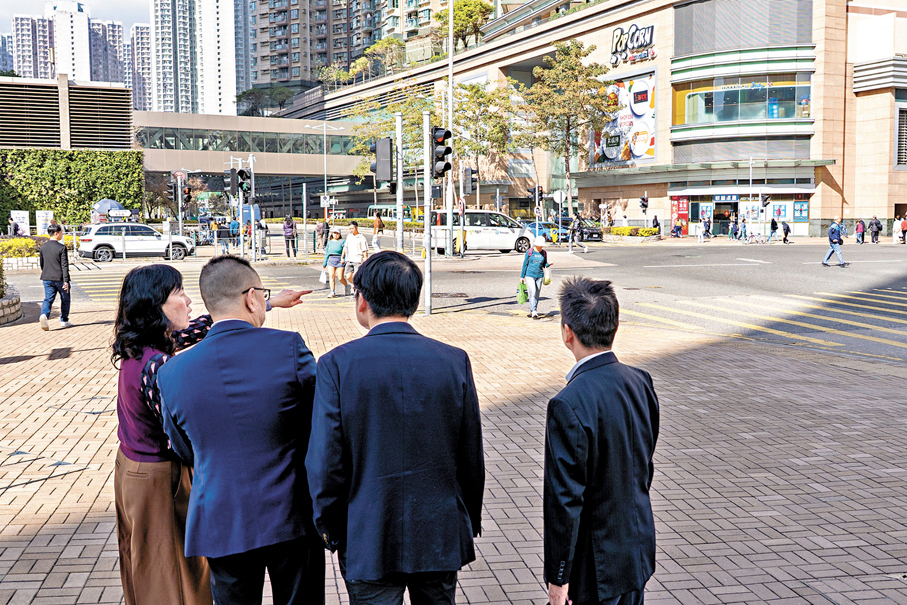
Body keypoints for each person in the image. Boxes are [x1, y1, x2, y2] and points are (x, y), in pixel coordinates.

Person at [306, 251, 484, 605]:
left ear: (362, 301)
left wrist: (329, 525)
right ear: (414, 301)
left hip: (368, 533)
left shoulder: (337, 365)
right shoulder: (453, 360)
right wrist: (468, 517)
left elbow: (326, 461)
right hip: (438, 532)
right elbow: (471, 454)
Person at [158, 256, 322, 605]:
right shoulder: (288, 347)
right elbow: (318, 423)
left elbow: (184, 449)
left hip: (220, 517)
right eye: (263, 294)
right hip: (291, 513)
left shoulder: (173, 372)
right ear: (251, 297)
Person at [544, 277, 659, 605]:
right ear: (615, 325)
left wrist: (558, 577)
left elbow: (565, 501)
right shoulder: (640, 381)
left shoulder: (568, 402)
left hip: (596, 568)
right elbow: (643, 464)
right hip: (637, 551)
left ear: (567, 333)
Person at [111, 265, 214, 605]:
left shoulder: (139, 346)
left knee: (143, 560)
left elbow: (191, 332)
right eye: (179, 294)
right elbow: (177, 437)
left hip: (131, 469)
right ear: (155, 307)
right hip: (158, 478)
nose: (188, 301)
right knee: (173, 570)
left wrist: (261, 305)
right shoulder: (158, 367)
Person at [39, 224, 72, 330]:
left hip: (47, 277)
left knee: (48, 299)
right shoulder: (61, 247)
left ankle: (44, 315)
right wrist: (66, 281)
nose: (62, 235)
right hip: (60, 278)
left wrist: (46, 272)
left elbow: (42, 263)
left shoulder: (43, 247)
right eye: (61, 233)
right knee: (65, 299)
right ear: (56, 233)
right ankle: (64, 320)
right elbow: (64, 265)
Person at [521, 236, 551, 320]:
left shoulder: (544, 253)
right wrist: (522, 276)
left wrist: (549, 264)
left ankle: (532, 311)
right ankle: (534, 311)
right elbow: (525, 264)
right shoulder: (530, 252)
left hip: (540, 276)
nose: (541, 246)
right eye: (539, 245)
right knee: (533, 292)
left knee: (537, 294)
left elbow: (544, 264)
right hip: (530, 275)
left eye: (542, 245)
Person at [340, 221, 369, 296]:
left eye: (352, 228)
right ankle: (356, 286)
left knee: (356, 276)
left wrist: (365, 260)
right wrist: (342, 257)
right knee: (348, 276)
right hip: (349, 259)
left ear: (356, 228)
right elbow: (345, 247)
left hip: (358, 260)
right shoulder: (349, 236)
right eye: (350, 228)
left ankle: (358, 290)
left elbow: (364, 250)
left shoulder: (361, 238)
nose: (351, 230)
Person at [322, 227, 345, 298]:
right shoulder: (330, 242)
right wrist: (324, 263)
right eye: (334, 233)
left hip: (339, 260)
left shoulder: (342, 241)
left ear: (339, 234)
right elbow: (327, 253)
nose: (335, 234)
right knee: (331, 276)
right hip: (331, 260)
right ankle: (332, 291)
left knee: (340, 277)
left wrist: (343, 259)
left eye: (337, 233)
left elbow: (345, 251)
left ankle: (347, 286)